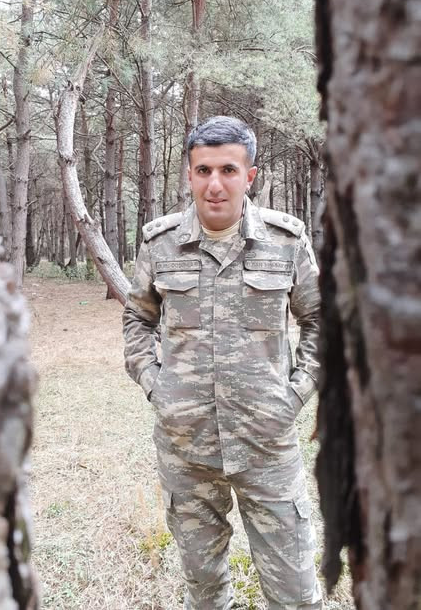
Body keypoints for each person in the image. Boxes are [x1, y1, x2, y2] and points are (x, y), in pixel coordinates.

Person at [122, 115, 323, 610]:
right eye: (204, 170)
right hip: (186, 447)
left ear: (249, 176)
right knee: (205, 589)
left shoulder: (285, 241)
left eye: (229, 170)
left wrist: (294, 395)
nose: (215, 184)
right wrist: (156, 386)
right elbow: (138, 318)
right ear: (189, 175)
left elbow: (322, 321)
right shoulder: (160, 243)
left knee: (296, 592)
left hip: (266, 444)